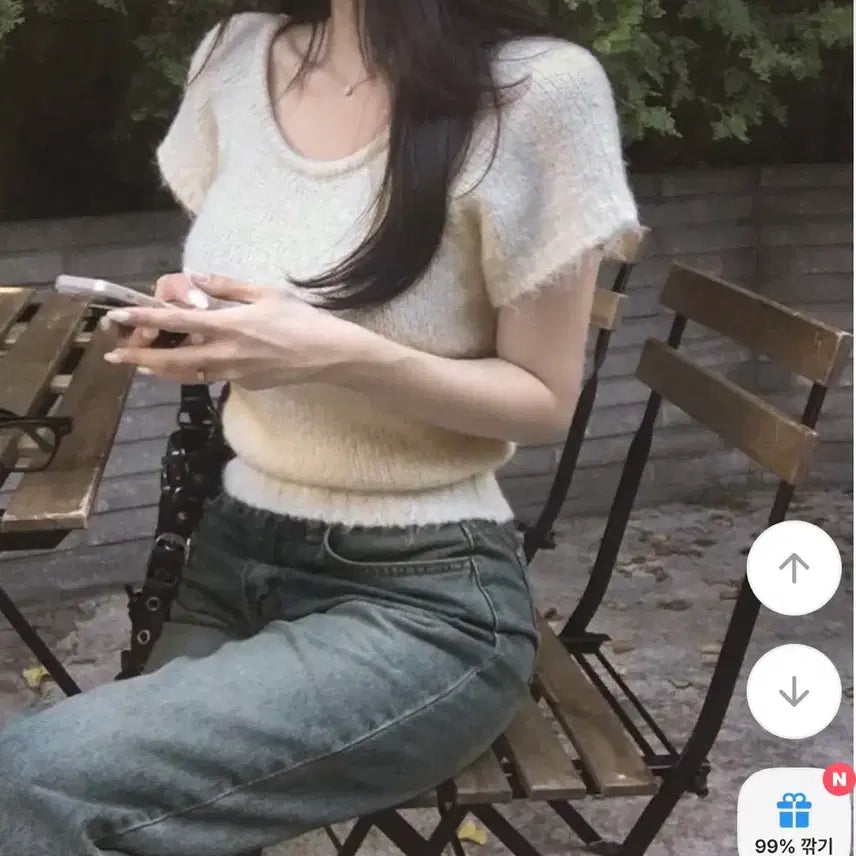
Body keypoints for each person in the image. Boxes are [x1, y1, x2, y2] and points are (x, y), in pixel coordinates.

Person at [0, 1, 640, 853]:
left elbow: (545, 399)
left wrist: (334, 353)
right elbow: (257, 273)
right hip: (230, 555)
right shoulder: (236, 58)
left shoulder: (538, 91)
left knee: (27, 780)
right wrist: (207, 320)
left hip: (422, 598)